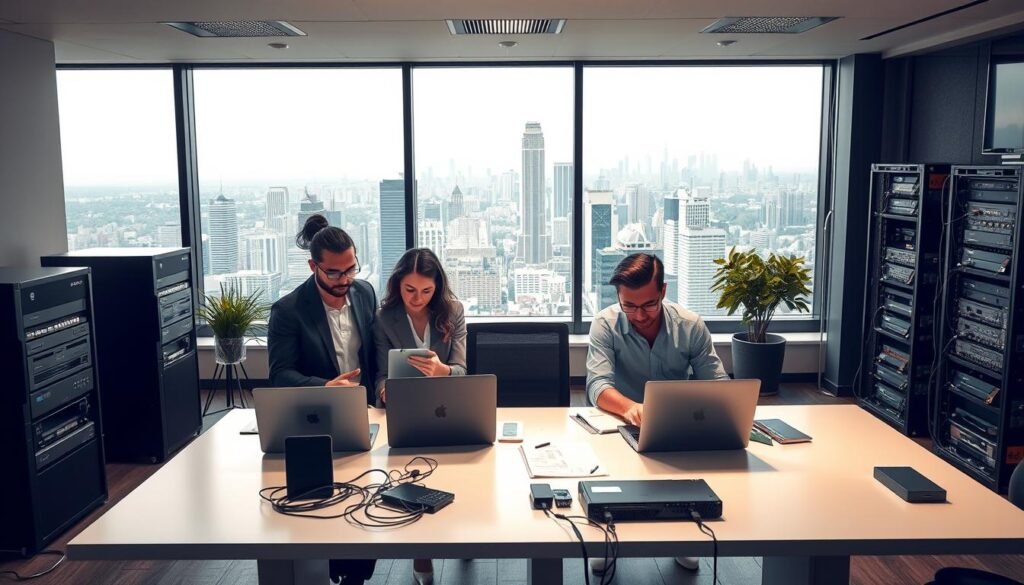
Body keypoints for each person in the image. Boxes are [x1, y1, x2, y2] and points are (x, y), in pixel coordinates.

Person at [585, 253, 728, 574]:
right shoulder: (605, 323)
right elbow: (597, 385)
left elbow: (717, 386)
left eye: (648, 305)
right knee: (610, 479)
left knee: (685, 473)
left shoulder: (690, 326)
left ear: (662, 291)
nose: (639, 315)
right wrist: (632, 408)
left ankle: (684, 538)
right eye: (629, 306)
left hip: (673, 426)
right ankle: (607, 539)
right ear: (619, 298)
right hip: (615, 421)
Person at [267, 214, 378, 585]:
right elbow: (280, 374)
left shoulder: (364, 294)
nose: (345, 280)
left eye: (351, 269)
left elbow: (372, 356)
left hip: (362, 412)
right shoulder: (288, 311)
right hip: (314, 416)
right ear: (313, 266)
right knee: (324, 502)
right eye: (335, 273)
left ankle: (354, 576)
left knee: (368, 495)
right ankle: (329, 569)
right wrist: (325, 387)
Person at [373, 247, 466, 585]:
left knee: (459, 470)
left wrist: (443, 371)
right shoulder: (384, 318)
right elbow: (379, 373)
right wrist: (385, 391)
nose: (417, 298)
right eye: (410, 289)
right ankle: (421, 553)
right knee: (413, 474)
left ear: (437, 287)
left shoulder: (452, 311)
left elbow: (462, 369)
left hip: (447, 402)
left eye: (427, 291)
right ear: (398, 284)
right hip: (405, 406)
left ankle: (462, 531)